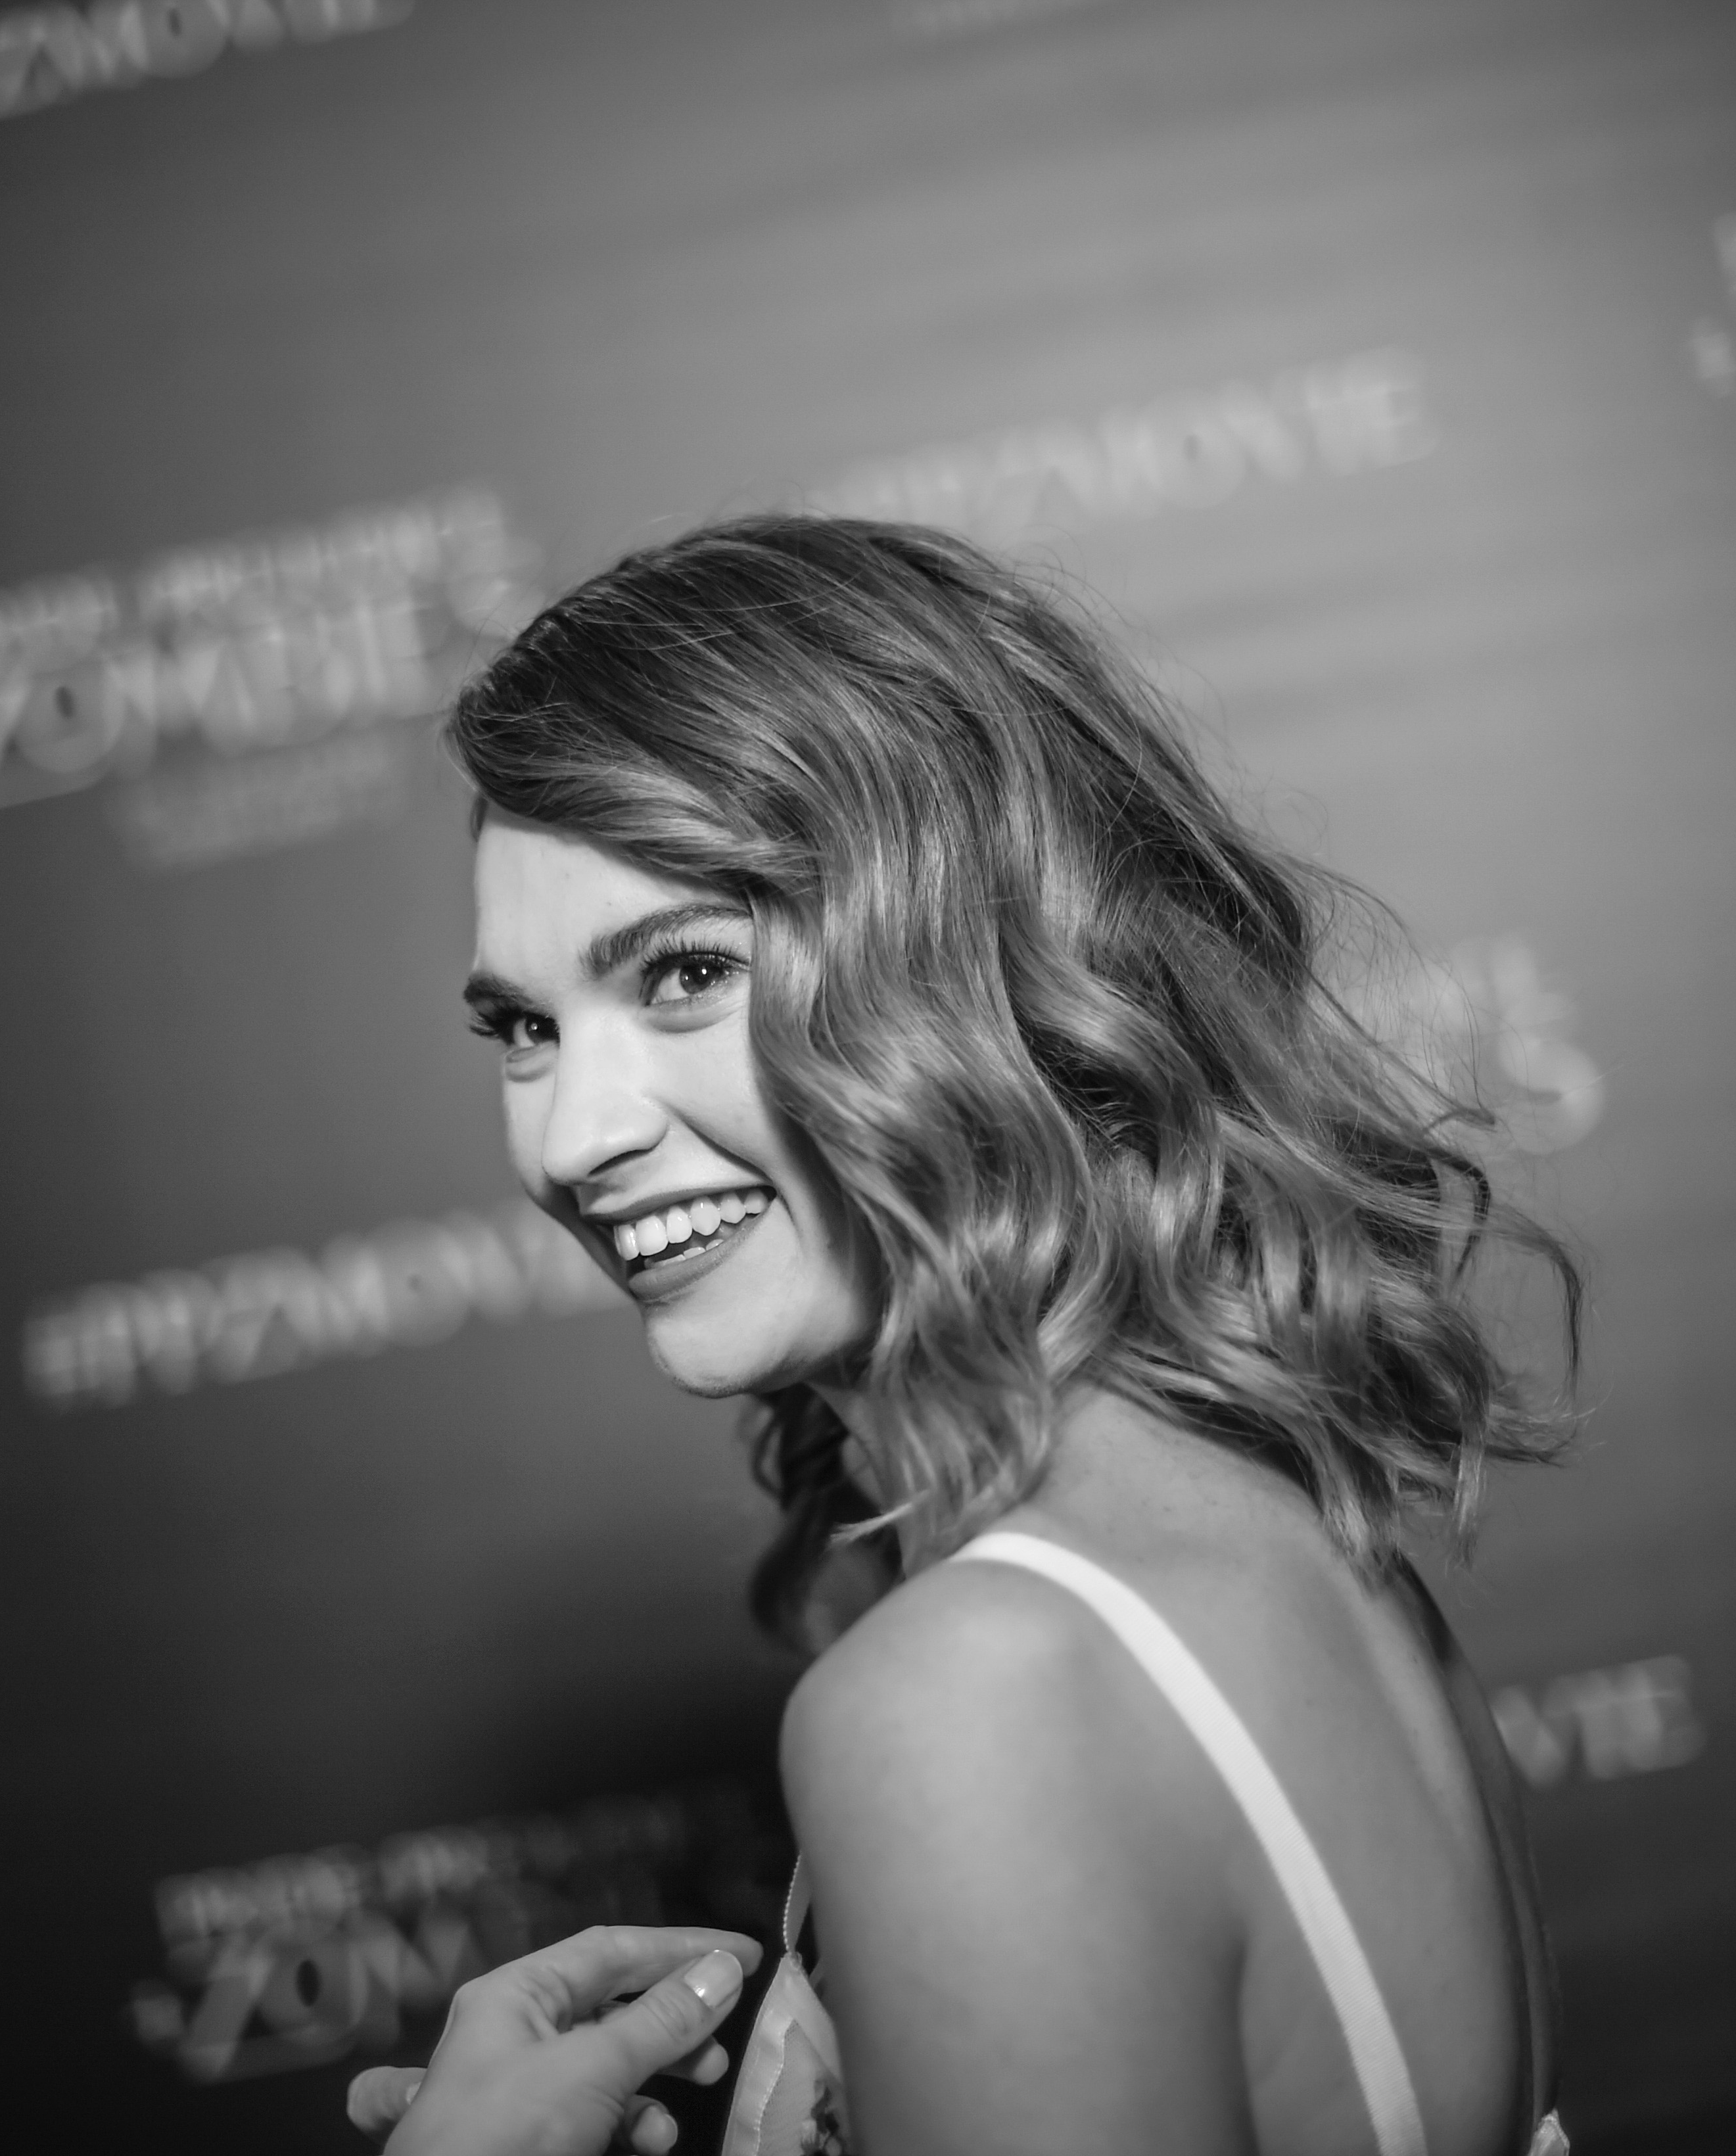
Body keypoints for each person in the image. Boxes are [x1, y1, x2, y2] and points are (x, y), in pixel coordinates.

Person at [352, 515, 1578, 2156]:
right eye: (522, 1026)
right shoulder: (1300, 1547)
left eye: (687, 972)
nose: (574, 1136)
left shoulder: (971, 1696)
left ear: (968, 956)